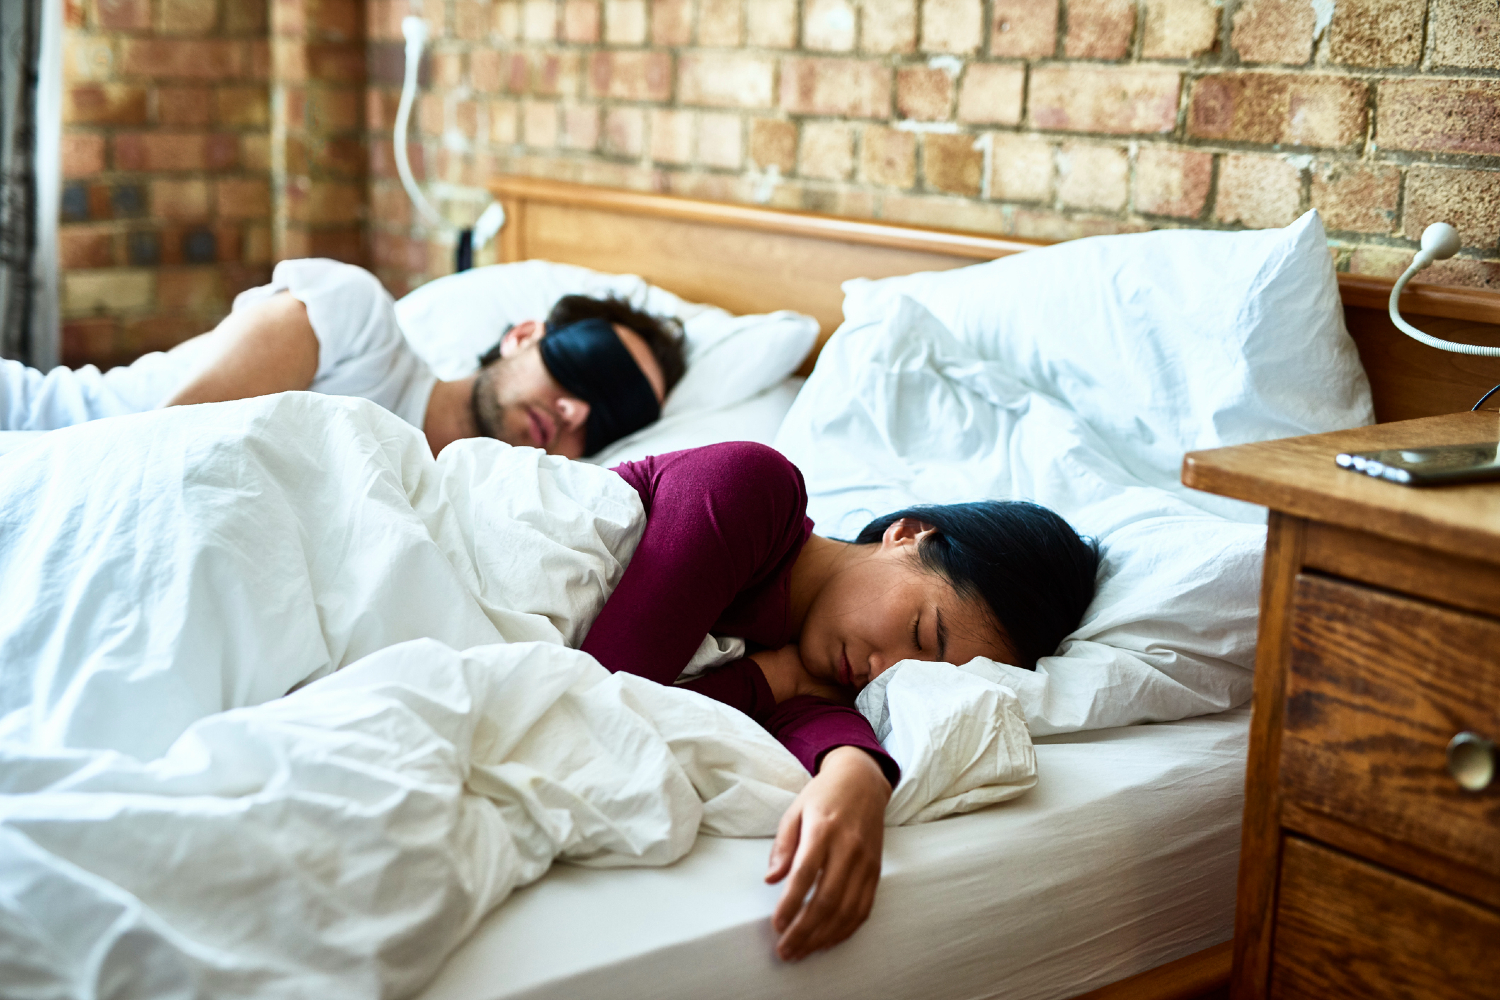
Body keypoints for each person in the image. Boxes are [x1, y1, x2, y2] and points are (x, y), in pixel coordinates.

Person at [581, 442, 1100, 963]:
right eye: (921, 633)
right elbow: (595, 708)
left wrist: (860, 774)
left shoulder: (829, 667)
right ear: (908, 536)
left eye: (913, 674)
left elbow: (821, 720)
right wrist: (767, 678)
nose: (883, 670)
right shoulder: (752, 488)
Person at [0, 259, 686, 459]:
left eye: (610, 422)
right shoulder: (357, 321)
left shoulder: (455, 514)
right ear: (523, 335)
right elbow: (153, 457)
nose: (577, 411)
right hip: (34, 433)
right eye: (584, 369)